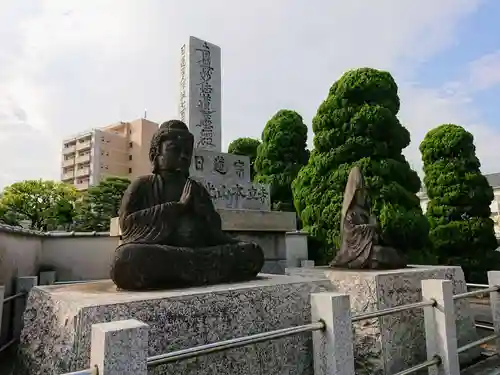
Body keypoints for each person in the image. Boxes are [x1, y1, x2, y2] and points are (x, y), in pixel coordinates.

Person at [110, 120, 264, 290]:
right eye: (175, 150)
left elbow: (215, 235)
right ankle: (195, 272)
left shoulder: (196, 189)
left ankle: (185, 273)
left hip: (199, 254)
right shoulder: (142, 185)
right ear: (155, 154)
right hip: (164, 254)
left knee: (252, 252)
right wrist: (176, 207)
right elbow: (127, 226)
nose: (183, 156)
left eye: (187, 152)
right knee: (126, 258)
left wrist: (205, 216)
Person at [329, 166, 407, 269]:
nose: (363, 195)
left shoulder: (366, 212)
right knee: (378, 253)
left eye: (364, 192)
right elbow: (350, 234)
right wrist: (371, 227)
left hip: (369, 247)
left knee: (391, 253)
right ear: (354, 194)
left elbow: (377, 235)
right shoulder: (350, 213)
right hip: (356, 252)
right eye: (360, 192)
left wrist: (376, 230)